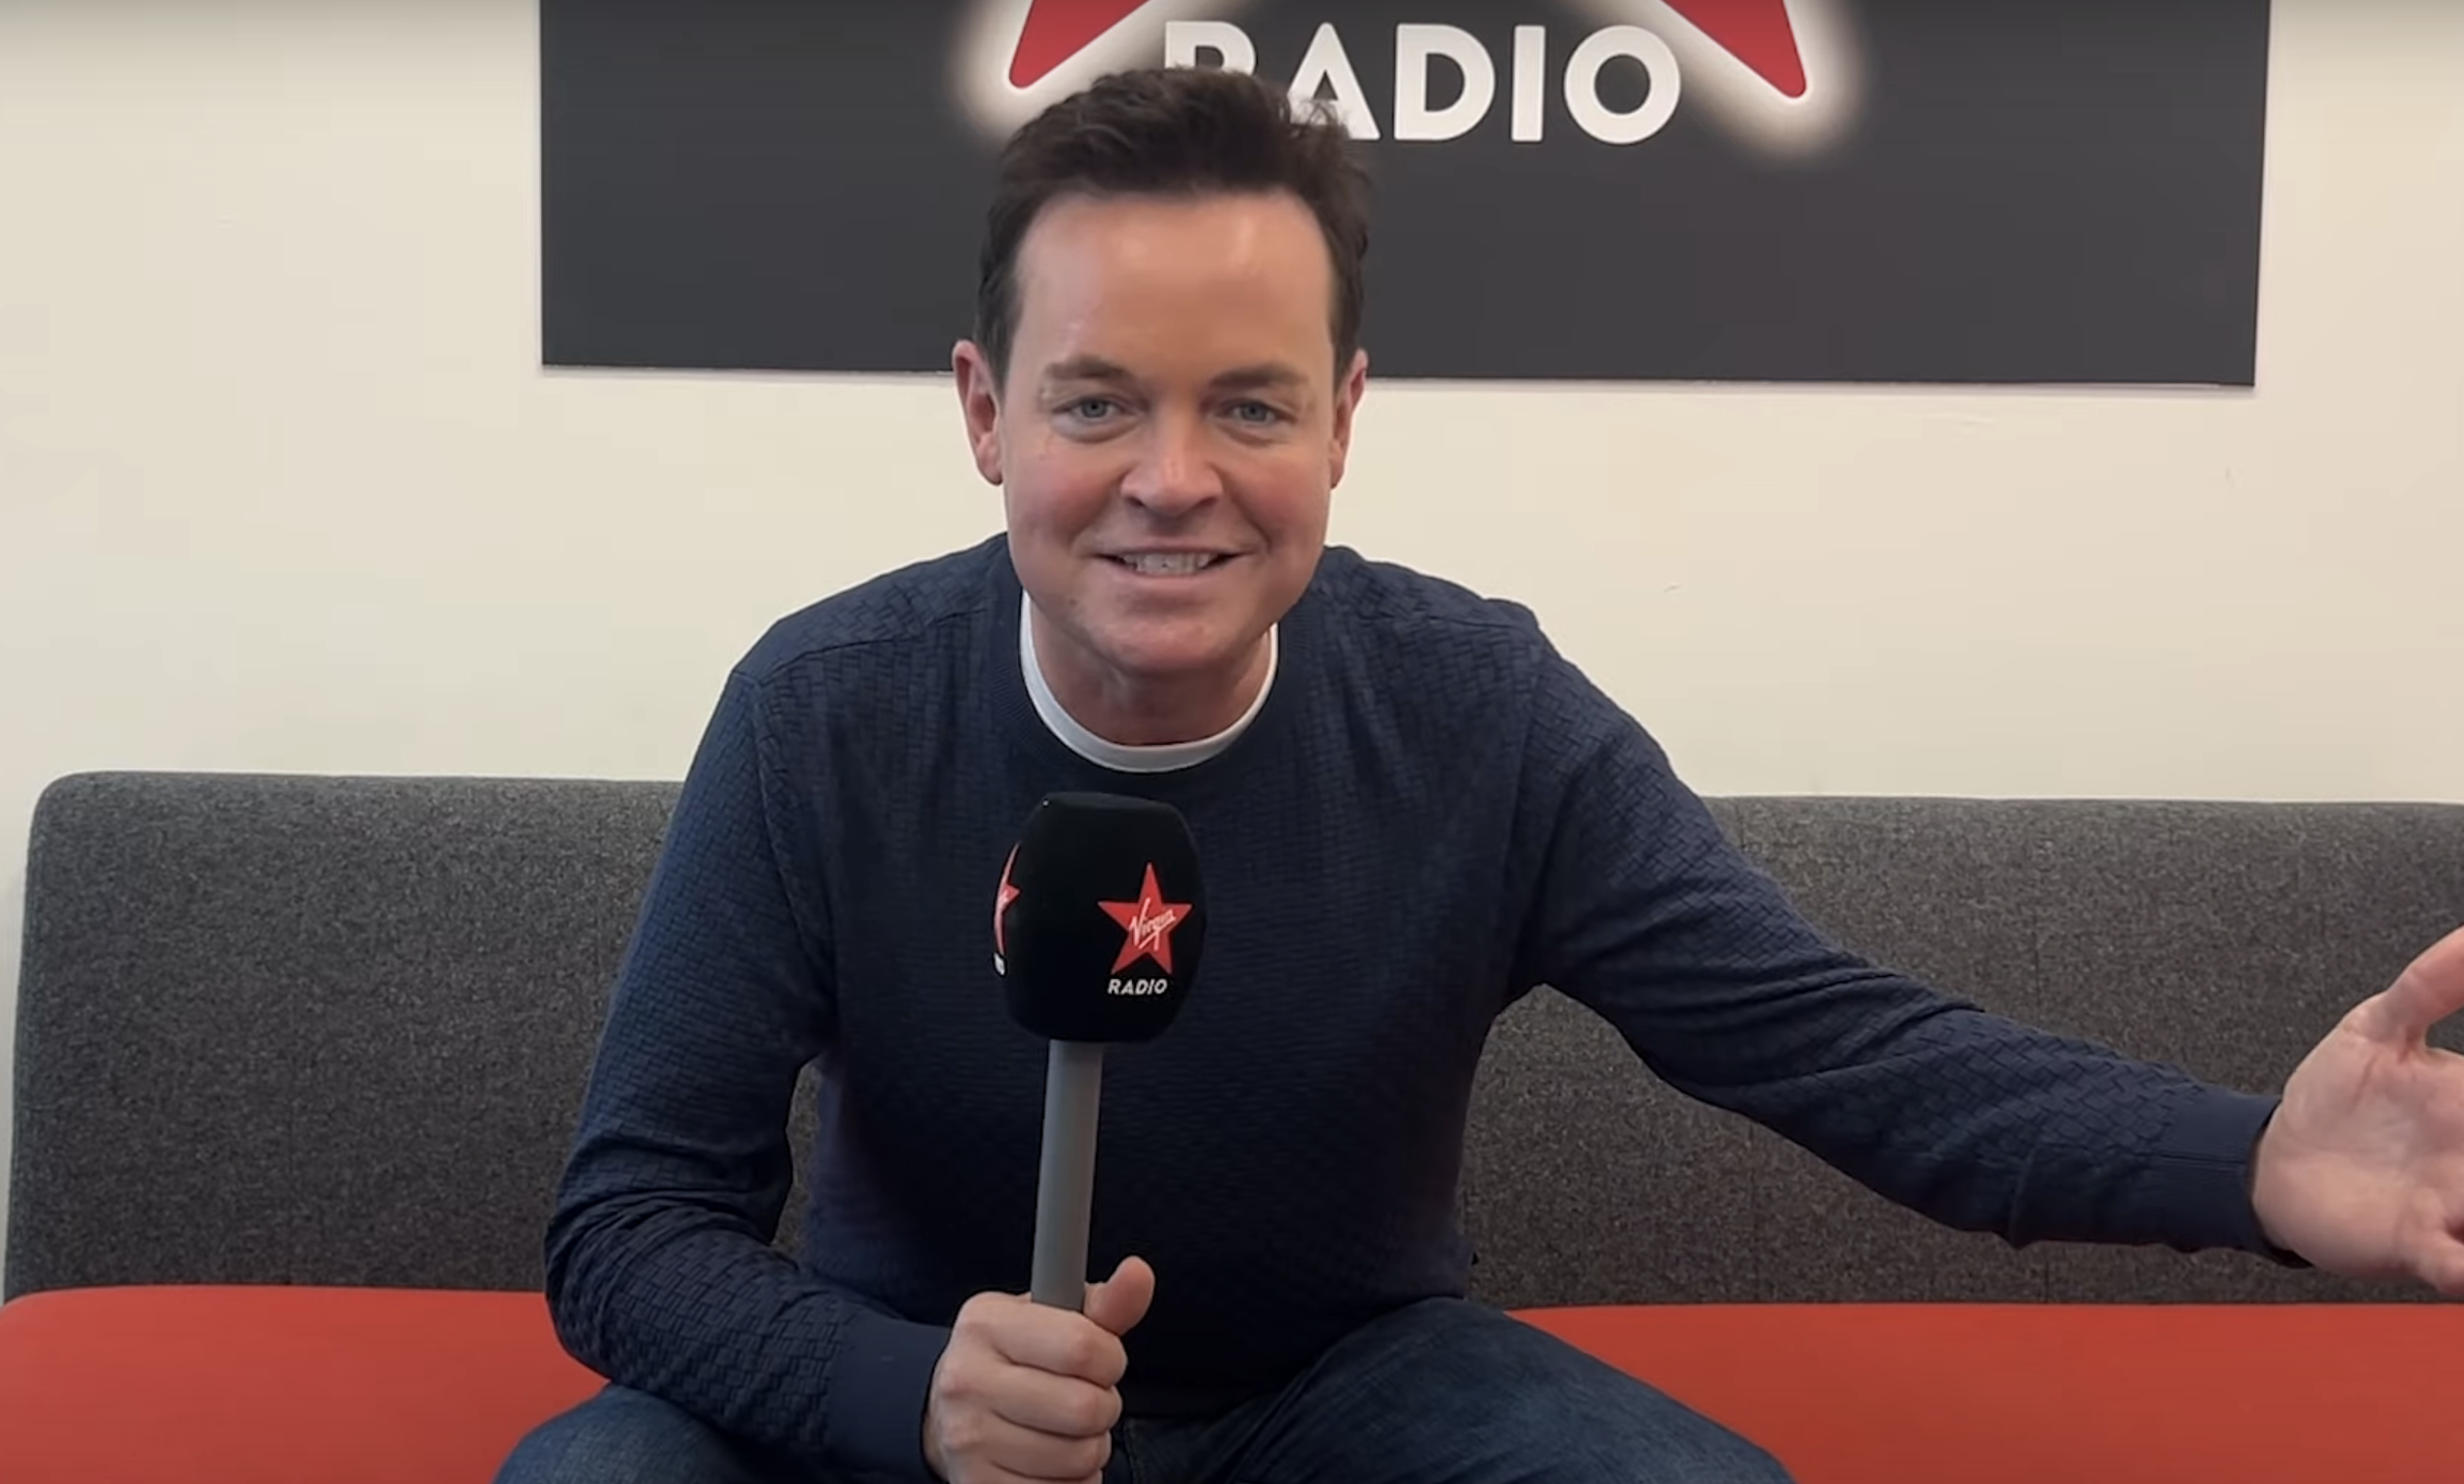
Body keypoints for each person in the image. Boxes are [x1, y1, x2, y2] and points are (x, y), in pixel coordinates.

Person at [493, 62, 2464, 1484]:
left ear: (1342, 420)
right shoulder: (822, 712)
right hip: (906, 1402)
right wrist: (899, 1392)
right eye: (1097, 401)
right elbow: (631, 1224)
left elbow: (1845, 1047)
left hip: (1342, 1394)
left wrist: (2254, 1168)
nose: (1171, 475)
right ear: (986, 413)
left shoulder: (1480, 713)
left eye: (1248, 402)